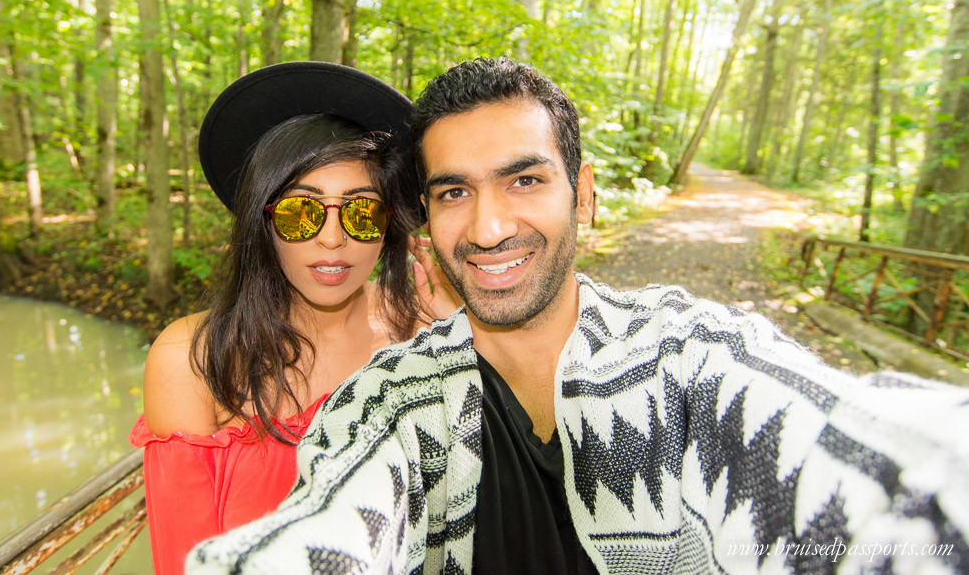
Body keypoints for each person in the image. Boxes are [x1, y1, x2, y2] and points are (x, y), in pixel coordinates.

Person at [186, 58, 969, 574]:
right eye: (454, 192)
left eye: (524, 180)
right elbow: (329, 525)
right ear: (426, 216)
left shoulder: (693, 362)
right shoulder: (391, 400)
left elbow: (877, 466)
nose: (488, 227)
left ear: (584, 192)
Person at [128, 61, 456, 574]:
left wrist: (460, 340)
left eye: (361, 212)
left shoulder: (419, 324)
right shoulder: (192, 359)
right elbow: (183, 561)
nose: (331, 238)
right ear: (264, 221)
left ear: (390, 225)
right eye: (300, 211)